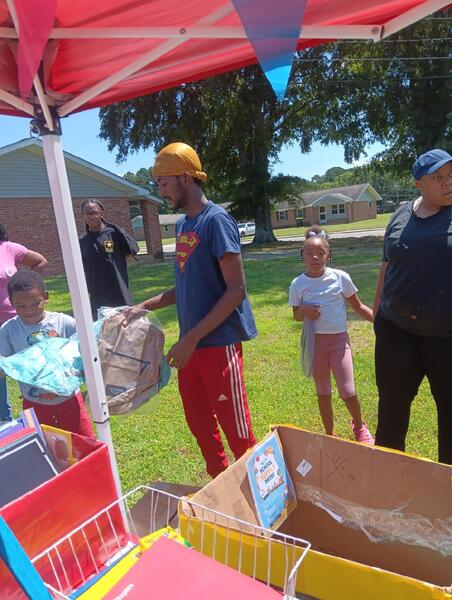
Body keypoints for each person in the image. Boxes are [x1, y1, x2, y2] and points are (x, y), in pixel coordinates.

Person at [125, 142, 257, 478]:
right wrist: (142, 306)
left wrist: (192, 338)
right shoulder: (184, 225)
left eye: (163, 183)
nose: (160, 191)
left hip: (217, 344)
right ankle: (223, 488)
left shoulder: (217, 221)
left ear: (185, 178)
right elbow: (185, 287)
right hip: (192, 348)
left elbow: (236, 291)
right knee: (200, 425)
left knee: (238, 432)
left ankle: (265, 500)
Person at [373, 148, 452, 464]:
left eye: (450, 175)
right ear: (419, 182)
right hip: (397, 333)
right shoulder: (401, 214)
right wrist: (378, 312)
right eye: (438, 177)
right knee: (391, 410)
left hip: (446, 337)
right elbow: (386, 263)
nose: (448, 183)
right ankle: (387, 483)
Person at [289, 226, 374, 443]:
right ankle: (329, 433)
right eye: (309, 253)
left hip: (339, 343)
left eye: (320, 253)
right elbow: (297, 316)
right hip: (315, 344)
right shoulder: (298, 284)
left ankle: (359, 426)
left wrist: (381, 322)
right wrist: (305, 311)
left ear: (329, 255)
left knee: (348, 391)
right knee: (323, 392)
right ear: (302, 256)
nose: (315, 257)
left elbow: (358, 306)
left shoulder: (341, 278)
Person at [0, 270, 95, 437]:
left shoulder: (65, 323)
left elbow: (88, 351)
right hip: (34, 404)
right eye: (21, 305)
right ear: (11, 303)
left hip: (70, 400)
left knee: (84, 444)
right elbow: (3, 367)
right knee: (45, 450)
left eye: (35, 303)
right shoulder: (8, 331)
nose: (29, 310)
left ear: (46, 297)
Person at [0, 224, 47, 422]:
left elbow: (40, 262)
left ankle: (43, 411)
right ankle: (4, 420)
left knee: (34, 369)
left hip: (18, 322)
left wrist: (26, 288)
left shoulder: (8, 248)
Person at [79, 199, 139, 318]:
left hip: (118, 289)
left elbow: (133, 250)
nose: (91, 217)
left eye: (94, 212)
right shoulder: (82, 241)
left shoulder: (113, 233)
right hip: (97, 292)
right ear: (83, 216)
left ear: (101, 213)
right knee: (102, 329)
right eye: (87, 213)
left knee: (124, 325)